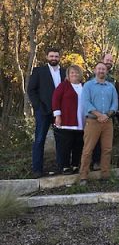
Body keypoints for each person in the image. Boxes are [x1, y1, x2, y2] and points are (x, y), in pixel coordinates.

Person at [27, 47, 66, 178]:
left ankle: (62, 167)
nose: (54, 58)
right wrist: (38, 106)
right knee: (39, 140)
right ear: (47, 57)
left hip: (60, 112)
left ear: (59, 57)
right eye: (51, 56)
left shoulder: (65, 72)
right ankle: (37, 169)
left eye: (56, 56)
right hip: (43, 111)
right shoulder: (39, 71)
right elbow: (31, 90)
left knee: (61, 140)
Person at [79, 62, 118, 185]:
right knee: (88, 149)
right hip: (93, 121)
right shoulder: (88, 85)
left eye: (104, 69)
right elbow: (86, 103)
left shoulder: (111, 87)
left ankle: (105, 175)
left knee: (107, 149)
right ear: (95, 70)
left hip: (107, 121)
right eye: (99, 69)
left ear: (106, 71)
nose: (101, 71)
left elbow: (115, 104)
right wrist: (99, 115)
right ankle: (83, 176)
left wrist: (107, 115)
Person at [51, 65, 85, 174]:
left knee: (78, 145)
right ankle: (65, 166)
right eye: (72, 73)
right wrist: (57, 115)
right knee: (65, 145)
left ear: (80, 74)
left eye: (76, 72)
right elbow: (55, 99)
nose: (74, 74)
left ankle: (75, 165)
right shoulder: (63, 86)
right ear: (68, 75)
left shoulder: (84, 86)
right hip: (67, 121)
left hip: (81, 121)